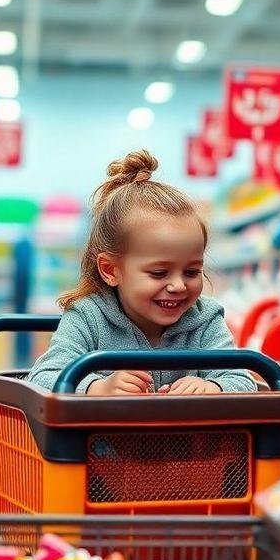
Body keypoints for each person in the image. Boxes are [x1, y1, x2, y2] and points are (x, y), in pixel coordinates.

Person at [26, 149, 256, 395]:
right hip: (106, 423)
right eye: (159, 273)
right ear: (110, 270)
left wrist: (213, 386)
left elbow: (243, 380)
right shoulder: (88, 317)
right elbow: (42, 377)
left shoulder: (205, 320)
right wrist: (97, 387)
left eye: (191, 272)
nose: (178, 285)